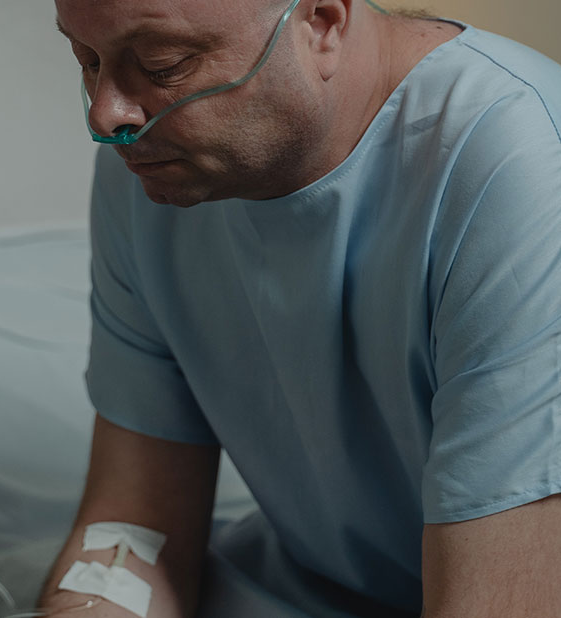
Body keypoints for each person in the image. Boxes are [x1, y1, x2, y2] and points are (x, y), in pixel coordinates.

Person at [40, 0, 561, 615]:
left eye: (163, 65)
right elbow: (133, 531)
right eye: (88, 60)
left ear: (322, 21)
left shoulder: (520, 167)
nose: (107, 117)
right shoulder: (152, 172)